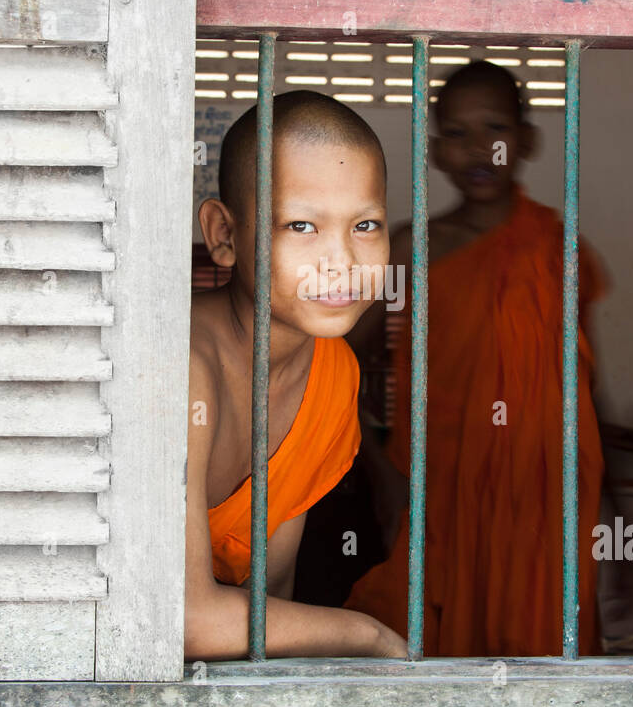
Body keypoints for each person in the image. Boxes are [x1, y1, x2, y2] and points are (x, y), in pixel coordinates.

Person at [343, 61, 609, 657]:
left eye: (495, 128)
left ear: (526, 141)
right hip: (440, 493)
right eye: (457, 133)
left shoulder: (557, 249)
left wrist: (614, 507)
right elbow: (340, 361)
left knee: (541, 658)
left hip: (542, 502)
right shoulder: (413, 251)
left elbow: (588, 389)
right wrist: (381, 473)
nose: (477, 149)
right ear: (436, 151)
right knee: (430, 654)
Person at [185, 90, 409, 661]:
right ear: (224, 235)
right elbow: (182, 617)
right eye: (302, 225)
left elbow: (269, 593)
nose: (342, 262)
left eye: (365, 225)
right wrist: (369, 635)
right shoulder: (184, 367)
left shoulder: (333, 373)